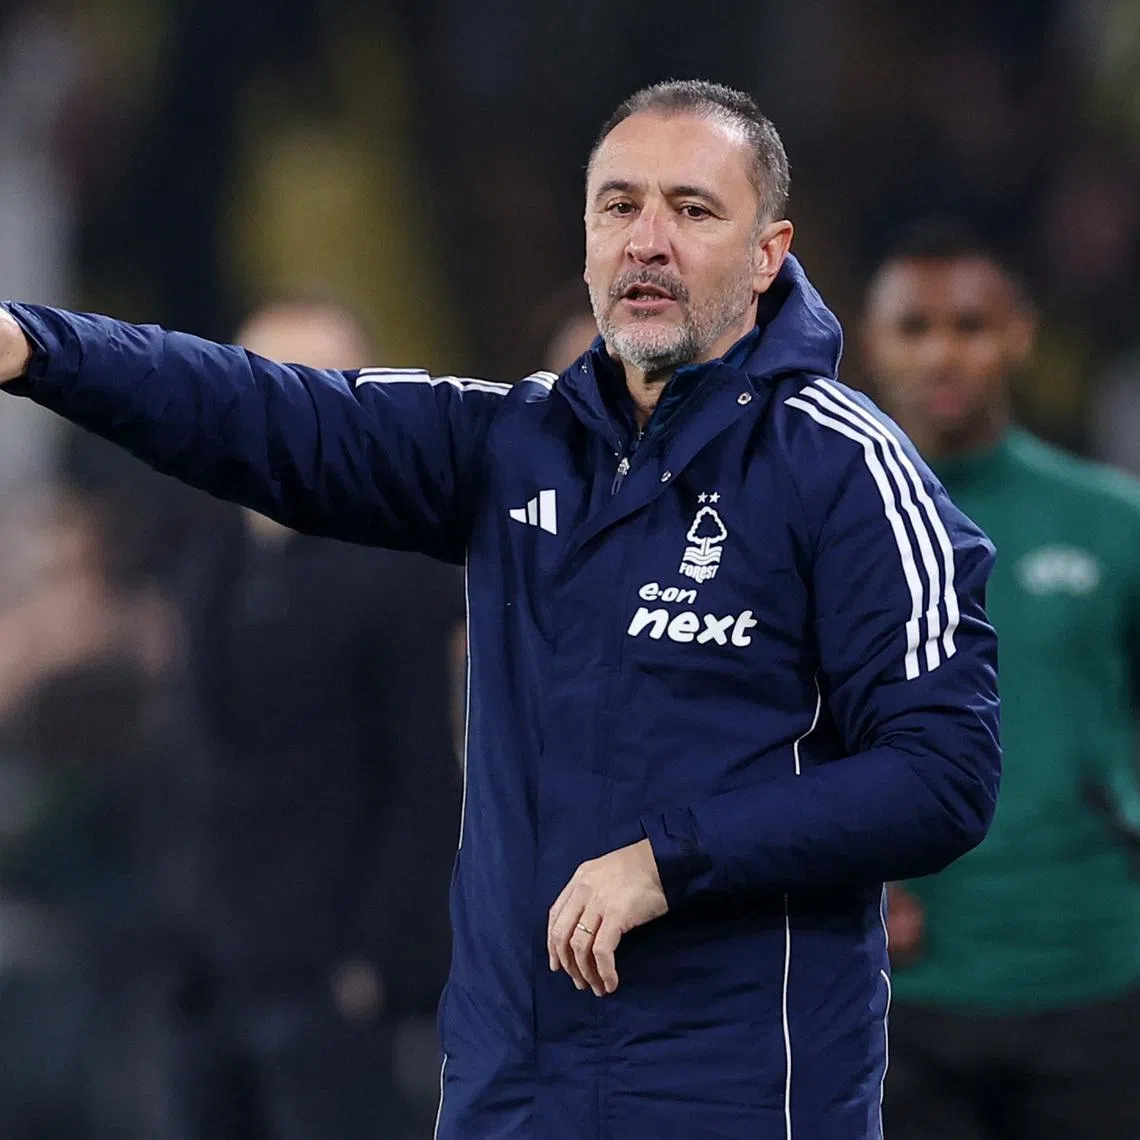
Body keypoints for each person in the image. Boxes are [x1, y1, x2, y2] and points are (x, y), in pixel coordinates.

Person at [0, 81, 1001, 1139]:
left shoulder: (845, 467)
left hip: (735, 1089)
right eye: (619, 206)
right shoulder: (514, 446)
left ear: (768, 253)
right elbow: (269, 411)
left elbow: (943, 773)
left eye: (693, 209)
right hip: (513, 1090)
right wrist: (38, 348)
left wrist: (672, 858)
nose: (648, 241)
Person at [159, 297, 464, 1140]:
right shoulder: (210, 556)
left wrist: (375, 963)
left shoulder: (406, 562)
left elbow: (430, 776)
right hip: (209, 977)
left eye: (312, 384)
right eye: (254, 381)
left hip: (336, 988)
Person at [863, 220, 1140, 1140]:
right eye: (915, 327)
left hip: (1095, 973)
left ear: (1020, 335)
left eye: (971, 325)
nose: (943, 353)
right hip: (900, 993)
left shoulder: (1111, 524)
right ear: (873, 341)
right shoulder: (815, 531)